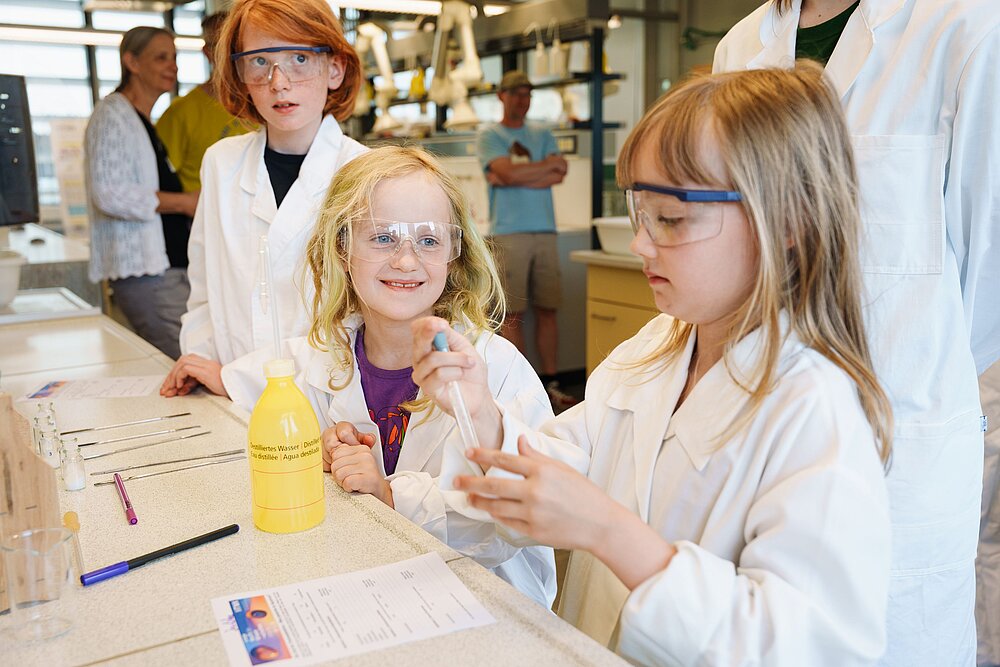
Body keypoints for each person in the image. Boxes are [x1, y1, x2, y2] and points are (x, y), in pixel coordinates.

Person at [414, 64, 894, 664]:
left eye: (670, 218)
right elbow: (570, 460)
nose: (641, 243)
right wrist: (480, 411)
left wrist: (607, 531)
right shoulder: (660, 345)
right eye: (639, 212)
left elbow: (807, 646)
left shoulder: (816, 411)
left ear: (788, 219)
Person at [713, 2, 1000, 664]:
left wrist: (917, 367)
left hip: (902, 446)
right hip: (757, 437)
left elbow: (988, 274)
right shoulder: (742, 46)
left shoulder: (968, 28)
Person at [221, 146, 558, 608]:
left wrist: (390, 494)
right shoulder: (325, 353)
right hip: (370, 591)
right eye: (382, 237)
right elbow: (253, 384)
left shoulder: (496, 367)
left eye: (429, 240)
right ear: (342, 248)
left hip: (483, 603)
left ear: (455, 254)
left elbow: (517, 517)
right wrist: (320, 449)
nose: (405, 260)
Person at [160, 0, 366, 399]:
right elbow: (204, 291)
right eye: (259, 62)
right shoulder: (221, 163)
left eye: (299, 59)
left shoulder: (365, 173)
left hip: (329, 403)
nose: (278, 82)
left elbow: (363, 322)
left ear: (335, 68)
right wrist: (201, 362)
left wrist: (239, 380)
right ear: (239, 75)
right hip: (224, 396)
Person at [86, 26, 199, 359]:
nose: (172, 66)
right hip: (146, 273)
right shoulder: (112, 115)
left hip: (169, 268)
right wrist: (184, 203)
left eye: (175, 57)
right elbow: (109, 193)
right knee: (186, 363)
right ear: (132, 62)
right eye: (161, 57)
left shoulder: (143, 121)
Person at [476, 70, 573, 409]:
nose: (523, 100)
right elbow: (505, 172)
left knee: (548, 309)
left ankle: (551, 384)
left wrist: (513, 176)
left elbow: (559, 171)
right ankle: (519, 390)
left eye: (528, 93)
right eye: (516, 93)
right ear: (502, 96)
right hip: (509, 232)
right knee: (512, 314)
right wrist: (540, 170)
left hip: (545, 231)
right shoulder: (490, 135)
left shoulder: (542, 132)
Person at [156, 12, 251, 193]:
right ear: (208, 52)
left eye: (238, 44)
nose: (233, 53)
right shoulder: (180, 113)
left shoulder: (264, 104)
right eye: (223, 45)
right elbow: (157, 185)